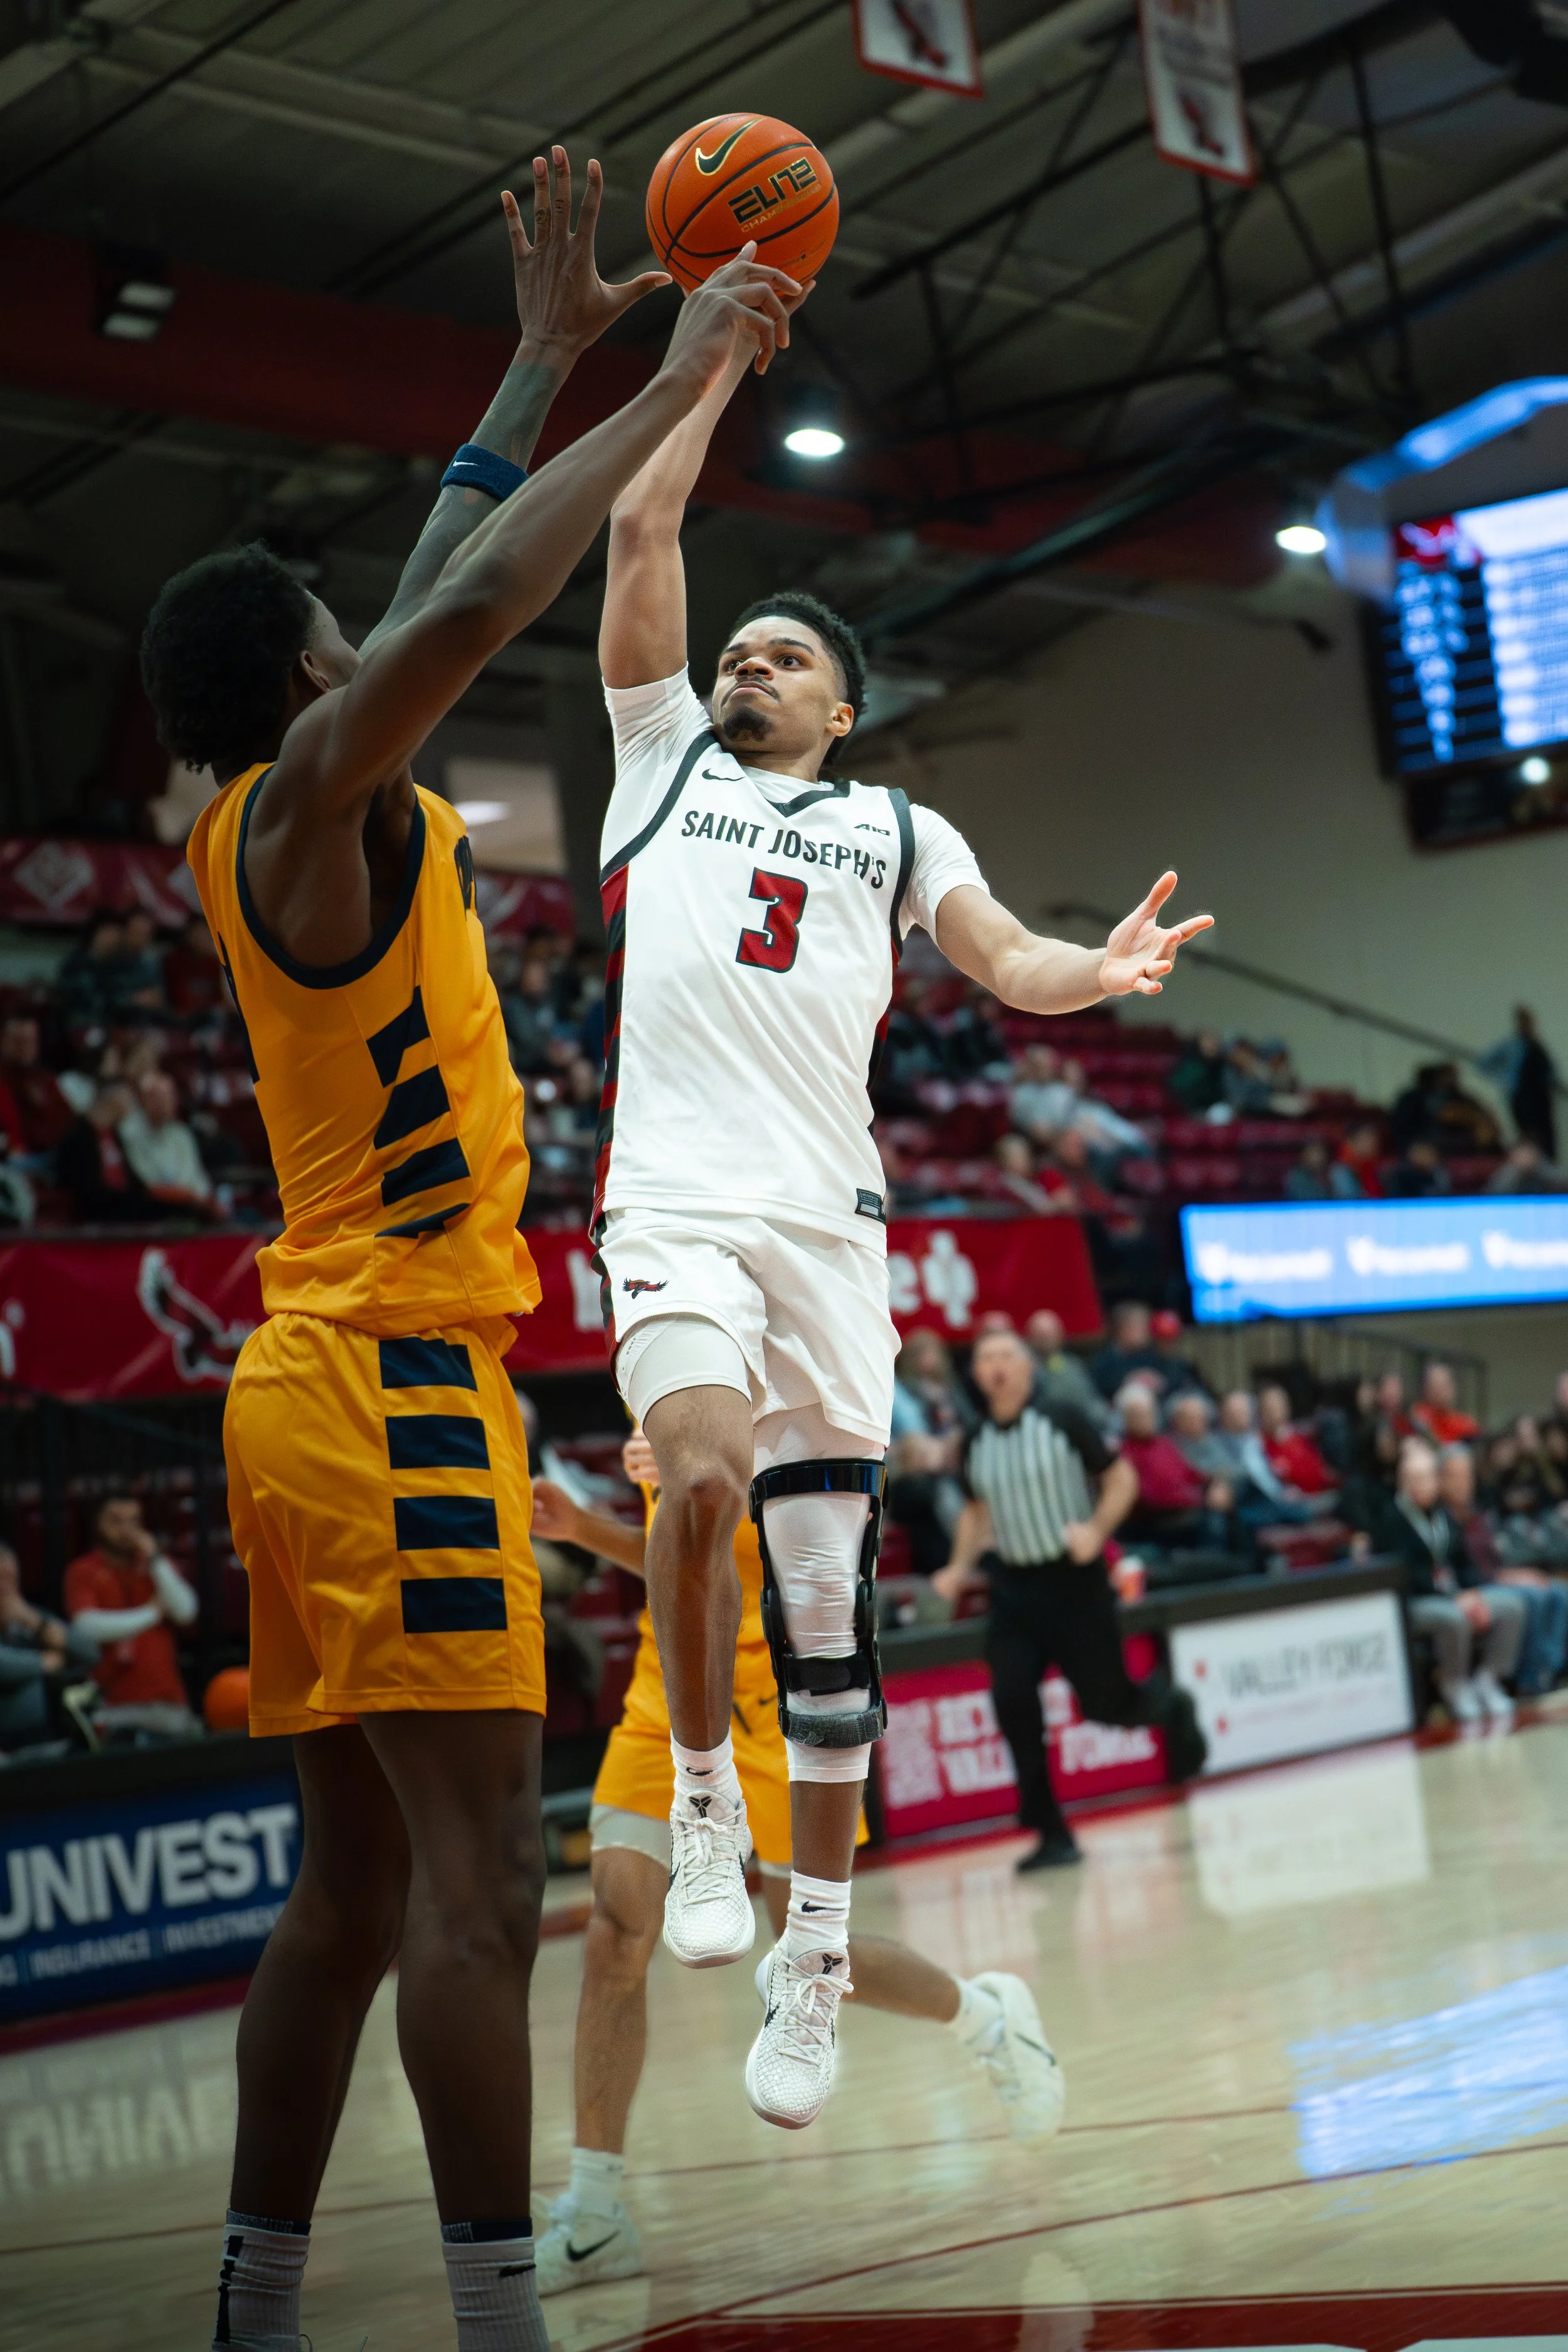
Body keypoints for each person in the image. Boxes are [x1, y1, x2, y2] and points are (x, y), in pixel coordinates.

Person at [141, 149, 793, 2352]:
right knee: (469, 1891)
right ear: (311, 676)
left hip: (314, 1385)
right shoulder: (321, 794)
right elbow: (469, 602)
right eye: (346, 636)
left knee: (343, 1888)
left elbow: (431, 577)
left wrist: (541, 348)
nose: (378, 631)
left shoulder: (290, 802)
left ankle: (258, 2301)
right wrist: (683, 381)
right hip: (398, 1385)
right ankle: (500, 2315)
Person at [589, 296, 1212, 2129]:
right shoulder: (657, 770)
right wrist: (703, 369)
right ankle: (709, 1801)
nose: (751, 665)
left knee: (837, 1644)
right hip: (678, 1201)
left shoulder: (892, 829)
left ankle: (819, 1955)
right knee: (691, 1470)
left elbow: (1002, 955)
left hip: (830, 1235)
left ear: (844, 709)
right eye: (744, 648)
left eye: (785, 656)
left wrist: (1088, 975)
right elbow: (638, 534)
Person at [526, 1434, 1064, 2293]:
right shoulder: (662, 1333)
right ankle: (595, 2212)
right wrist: (589, 1527)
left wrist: (717, 1467)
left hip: (785, 1686)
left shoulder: (802, 1370)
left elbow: (791, 1546)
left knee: (802, 1949)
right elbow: (684, 1558)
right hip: (671, 1688)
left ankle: (986, 2018)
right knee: (617, 1922)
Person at [932, 1330, 1205, 1872]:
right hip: (1014, 1590)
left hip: (1075, 1583)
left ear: (1028, 1367)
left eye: (1007, 1353)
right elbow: (975, 1511)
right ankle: (1051, 1831)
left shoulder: (1063, 1417)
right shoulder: (975, 1441)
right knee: (1012, 1702)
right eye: (987, 1357)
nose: (997, 1365)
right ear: (978, 1375)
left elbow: (1121, 1477)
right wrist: (958, 1567)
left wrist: (1098, 1529)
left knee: (1104, 1705)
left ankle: (1171, 1707)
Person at [1358, 1440, 1525, 1724]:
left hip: (1453, 1594)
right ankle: (1454, 1684)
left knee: (1512, 1607)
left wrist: (1472, 1593)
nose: (1423, 1485)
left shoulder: (1443, 1516)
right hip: (1415, 1602)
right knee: (1453, 1618)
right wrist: (1455, 1599)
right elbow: (1407, 1575)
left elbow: (1463, 1562)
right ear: (1404, 1483)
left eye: (1428, 1478)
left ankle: (1489, 1679)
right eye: (1416, 1480)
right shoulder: (1391, 1519)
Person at [1438, 1445, 1567, 1701]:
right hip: (1477, 1585)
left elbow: (1497, 1558)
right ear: (1442, 1479)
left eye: (1468, 1475)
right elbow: (1468, 1572)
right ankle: (1530, 1678)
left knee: (1559, 1593)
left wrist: (1518, 1574)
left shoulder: (1477, 1513)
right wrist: (1509, 1578)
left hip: (1498, 1577)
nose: (1465, 1483)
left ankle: (1553, 1667)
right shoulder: (1442, 1520)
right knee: (1534, 1598)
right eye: (1457, 1475)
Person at [63, 1494, 198, 1732]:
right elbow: (87, 1627)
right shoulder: (83, 1570)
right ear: (98, 1524)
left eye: (134, 1522)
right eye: (116, 1521)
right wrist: (152, 1614)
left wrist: (155, 1558)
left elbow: (186, 1612)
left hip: (166, 1703)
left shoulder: (156, 1566)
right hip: (112, 1707)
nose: (126, 1530)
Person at [1113, 1384, 1232, 1556]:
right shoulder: (1124, 1453)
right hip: (1157, 1520)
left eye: (1150, 1412)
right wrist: (1196, 1498)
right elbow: (1148, 1497)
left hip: (1188, 1508)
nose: (1148, 1418)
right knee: (1213, 1523)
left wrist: (1217, 1483)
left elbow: (1192, 1474)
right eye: (1140, 1414)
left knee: (1231, 1507)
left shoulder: (1165, 1443)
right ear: (1126, 1419)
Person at [0, 1544, 97, 1751]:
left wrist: (36, 1623)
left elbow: (90, 1652)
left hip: (46, 1740)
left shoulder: (27, 1617)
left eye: (11, 1578)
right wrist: (44, 1662)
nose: (6, 1588)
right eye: (0, 1579)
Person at [56, 1081, 156, 1223]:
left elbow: (131, 1177)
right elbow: (82, 1183)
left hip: (122, 1200)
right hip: (95, 1205)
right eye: (128, 1100)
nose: (131, 1107)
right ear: (114, 1101)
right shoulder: (79, 1134)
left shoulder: (114, 1134)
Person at [118, 1070, 215, 1212]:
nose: (169, 1102)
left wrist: (206, 1202)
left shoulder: (181, 1133)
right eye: (161, 1097)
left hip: (197, 1208)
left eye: (171, 1095)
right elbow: (150, 1186)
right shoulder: (131, 1134)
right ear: (145, 1100)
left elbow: (196, 1178)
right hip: (160, 1211)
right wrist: (190, 1197)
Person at [1483, 1005, 1559, 1160]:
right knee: (1527, 1130)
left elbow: (1551, 1071)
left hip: (1540, 1096)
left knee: (1545, 1132)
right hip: (1521, 1095)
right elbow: (1484, 1062)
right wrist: (1502, 1078)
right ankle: (1529, 1160)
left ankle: (1545, 1161)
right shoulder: (1510, 1045)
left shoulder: (1537, 1045)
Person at [0, 1012, 73, 1162]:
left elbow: (69, 1125)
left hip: (59, 1158)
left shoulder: (45, 1079)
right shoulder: (4, 1082)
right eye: (19, 1042)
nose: (26, 1048)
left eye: (31, 1041)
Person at [1024, 1307, 1113, 1429]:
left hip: (1088, 1423)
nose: (1046, 1340)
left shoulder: (1074, 1364)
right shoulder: (1025, 1368)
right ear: (1030, 1337)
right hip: (1049, 1426)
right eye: (1041, 1335)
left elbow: (1091, 1398)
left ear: (1060, 1335)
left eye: (1050, 1334)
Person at [1411, 1362, 1480, 1447]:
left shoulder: (1466, 1422)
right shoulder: (1420, 1415)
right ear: (1426, 1390)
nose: (1440, 1392)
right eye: (1435, 1386)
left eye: (1444, 1385)